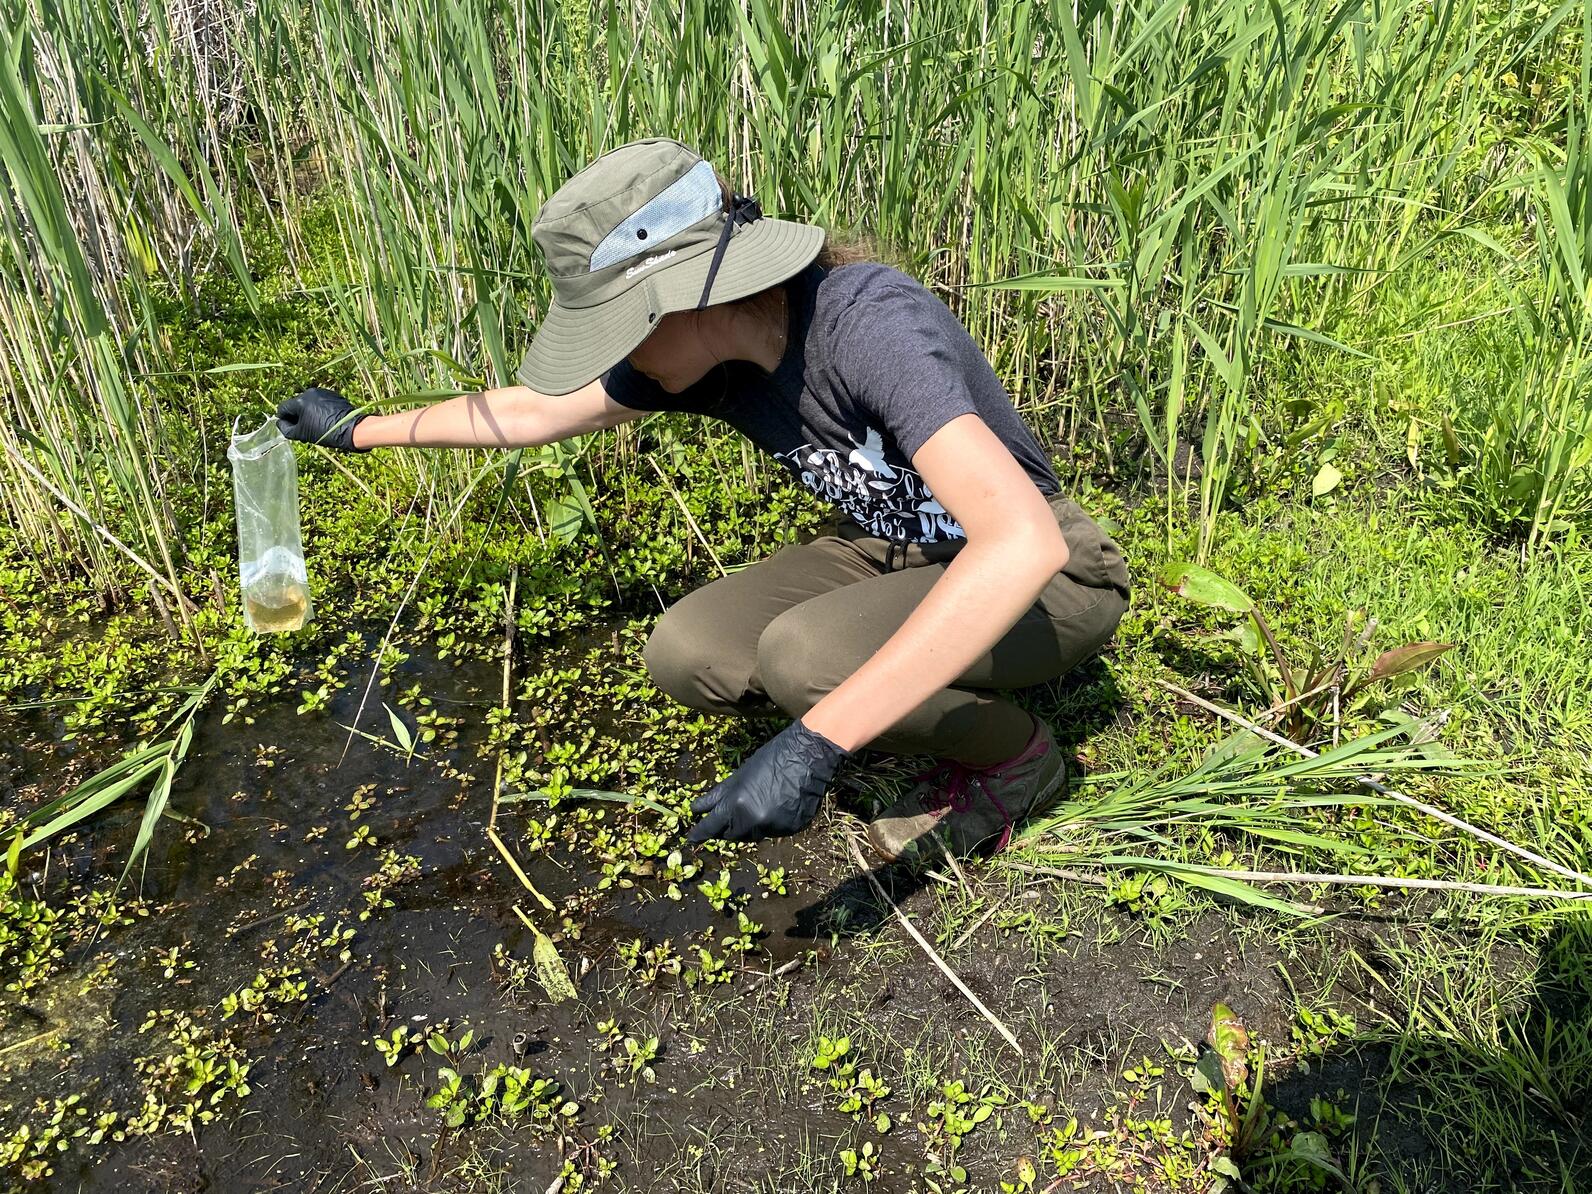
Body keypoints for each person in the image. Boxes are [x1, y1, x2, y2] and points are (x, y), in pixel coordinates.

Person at [276, 137, 1131, 862]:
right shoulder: (702, 362)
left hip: (1050, 575)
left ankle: (1020, 758)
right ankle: (894, 701)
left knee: (803, 661)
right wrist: (357, 430)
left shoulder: (866, 320)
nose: (615, 353)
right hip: (891, 549)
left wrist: (816, 741)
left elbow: (1020, 541)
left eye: (620, 325)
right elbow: (537, 410)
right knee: (688, 650)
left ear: (689, 293)